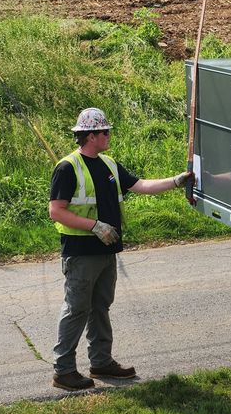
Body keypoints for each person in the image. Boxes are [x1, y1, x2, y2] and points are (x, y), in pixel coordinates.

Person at [49, 107, 193, 392]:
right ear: (91, 136)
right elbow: (56, 212)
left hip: (106, 250)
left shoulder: (109, 164)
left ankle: (101, 361)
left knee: (100, 307)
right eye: (105, 132)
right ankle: (63, 371)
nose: (108, 135)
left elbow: (140, 185)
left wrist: (176, 181)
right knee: (77, 309)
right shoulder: (68, 168)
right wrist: (94, 226)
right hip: (81, 252)